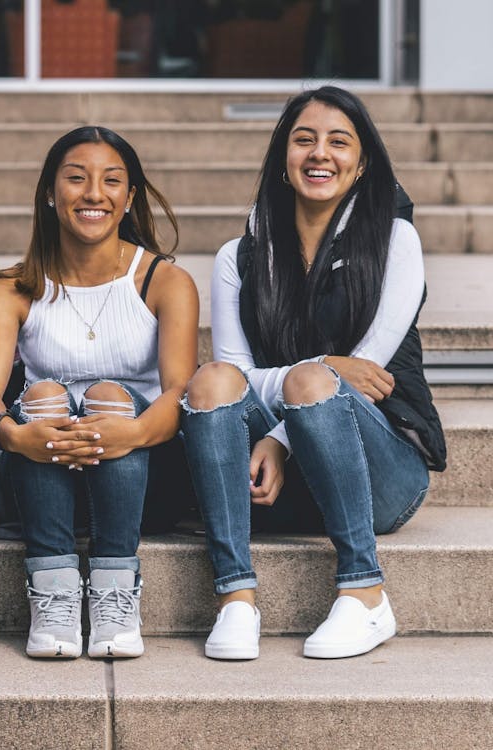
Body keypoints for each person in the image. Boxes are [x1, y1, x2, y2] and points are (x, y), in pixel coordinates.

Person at [180, 86, 446, 661]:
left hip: (382, 472)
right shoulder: (239, 257)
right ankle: (235, 596)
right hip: (282, 488)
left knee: (310, 381)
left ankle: (365, 591)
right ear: (283, 158)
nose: (319, 153)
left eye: (338, 142)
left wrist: (279, 435)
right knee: (209, 382)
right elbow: (238, 377)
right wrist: (321, 369)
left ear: (362, 161)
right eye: (304, 140)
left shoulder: (396, 240)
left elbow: (367, 376)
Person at [0, 126, 199, 659]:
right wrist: (15, 435)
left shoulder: (165, 282)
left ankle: (117, 591)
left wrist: (131, 432)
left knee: (111, 398)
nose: (94, 193)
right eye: (76, 178)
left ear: (129, 197)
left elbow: (179, 393)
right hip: (38, 475)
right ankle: (53, 594)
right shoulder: (13, 288)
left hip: (137, 479)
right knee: (43, 393)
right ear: (51, 192)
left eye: (111, 181)